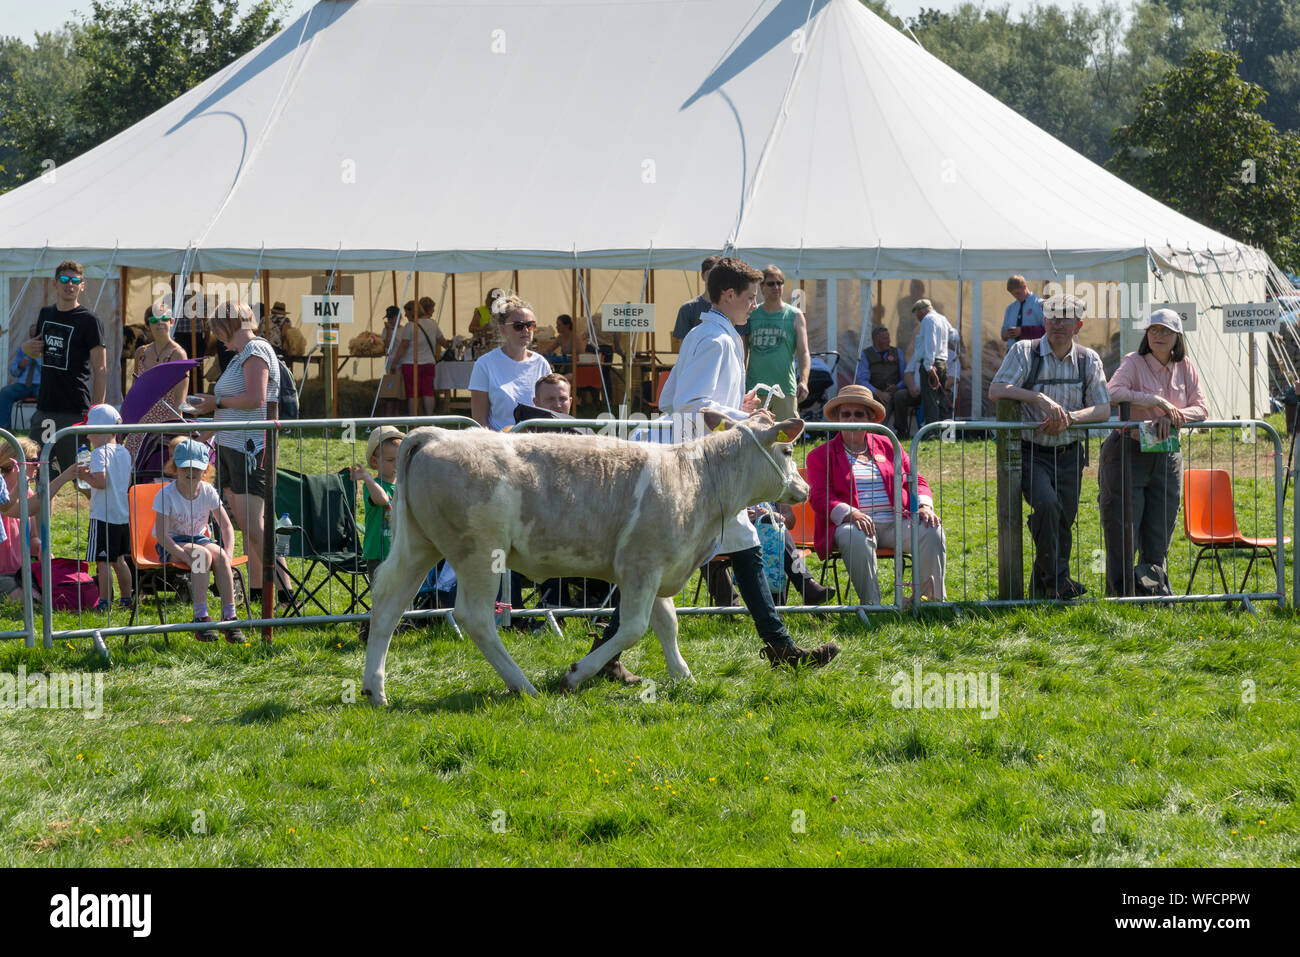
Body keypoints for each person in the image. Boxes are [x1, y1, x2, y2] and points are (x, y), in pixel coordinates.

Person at [601, 256, 840, 678]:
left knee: (731, 548)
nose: (754, 304)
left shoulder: (706, 333)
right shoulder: (718, 340)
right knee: (669, 562)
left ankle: (777, 643)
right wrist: (745, 422)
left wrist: (736, 408)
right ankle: (779, 645)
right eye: (749, 297)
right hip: (698, 469)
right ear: (728, 295)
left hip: (695, 465)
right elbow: (695, 406)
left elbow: (674, 398)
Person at [989, 294, 1111, 600]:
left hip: (1070, 454)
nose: (1058, 323)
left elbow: (1103, 409)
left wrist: (1070, 418)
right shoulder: (1024, 351)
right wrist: (1037, 397)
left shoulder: (1088, 359)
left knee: (1061, 521)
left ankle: (1043, 588)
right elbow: (996, 389)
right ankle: (1059, 580)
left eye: (1066, 317)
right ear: (1044, 321)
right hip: (1032, 452)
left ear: (1078, 324)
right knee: (1046, 505)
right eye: (1052, 316)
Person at [187, 301, 291, 604]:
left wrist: (214, 404)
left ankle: (284, 592)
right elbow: (234, 405)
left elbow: (256, 399)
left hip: (250, 448)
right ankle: (261, 591)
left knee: (255, 525)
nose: (216, 337)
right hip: (232, 446)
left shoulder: (256, 351)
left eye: (216, 329)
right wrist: (204, 432)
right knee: (249, 524)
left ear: (225, 326)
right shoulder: (240, 356)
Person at [1099, 309, 1207, 596]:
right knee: (1124, 529)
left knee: (1160, 529)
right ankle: (1121, 596)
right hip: (1128, 451)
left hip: (1167, 455)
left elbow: (1202, 408)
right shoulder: (1133, 362)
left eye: (1166, 331)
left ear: (1177, 337)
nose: (1159, 336)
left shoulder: (1186, 367)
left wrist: (1173, 416)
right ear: (1146, 335)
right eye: (1154, 330)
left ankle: (1153, 592)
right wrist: (1157, 401)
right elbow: (1112, 392)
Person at [806, 385, 945, 605]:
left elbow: (916, 480)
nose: (852, 419)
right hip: (852, 526)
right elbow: (819, 496)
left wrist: (925, 507)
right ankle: (873, 607)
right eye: (846, 414)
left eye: (858, 414)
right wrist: (851, 513)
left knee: (932, 529)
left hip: (896, 523)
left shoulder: (890, 445)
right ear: (837, 418)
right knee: (854, 533)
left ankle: (930, 603)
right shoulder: (819, 455)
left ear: (871, 418)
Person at [154, 437, 245, 643]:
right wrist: (183, 555)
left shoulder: (207, 491)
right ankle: (200, 616)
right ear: (175, 468)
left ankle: (229, 617)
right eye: (185, 467)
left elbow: (227, 527)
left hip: (198, 538)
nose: (191, 472)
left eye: (197, 468)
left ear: (205, 471)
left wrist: (228, 556)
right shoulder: (165, 494)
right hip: (172, 542)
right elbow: (161, 535)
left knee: (219, 555)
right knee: (201, 555)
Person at [21, 261, 107, 472]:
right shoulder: (46, 314)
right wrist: (26, 347)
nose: (70, 284)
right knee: (39, 474)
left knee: (82, 476)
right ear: (55, 284)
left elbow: (101, 368)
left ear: (82, 286)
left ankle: (104, 506)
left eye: (76, 280)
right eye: (65, 280)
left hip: (75, 411)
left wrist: (96, 414)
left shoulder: (90, 320)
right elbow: (37, 350)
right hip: (45, 409)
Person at [0, 437, 73, 604]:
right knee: (30, 601)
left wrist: (40, 547)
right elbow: (11, 508)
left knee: (54, 596)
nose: (38, 465)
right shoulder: (1, 491)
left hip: (21, 573)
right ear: (16, 463)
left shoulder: (28, 493)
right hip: (3, 575)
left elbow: (32, 537)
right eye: (33, 461)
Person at [469, 295, 553, 431]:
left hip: (537, 441)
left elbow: (551, 410)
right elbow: (480, 420)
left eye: (530, 325)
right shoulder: (484, 364)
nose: (525, 330)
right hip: (500, 444)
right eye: (518, 326)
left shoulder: (541, 363)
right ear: (503, 329)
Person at [80, 403, 134, 613]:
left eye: (89, 431)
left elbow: (101, 482)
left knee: (102, 563)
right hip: (122, 516)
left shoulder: (99, 453)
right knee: (119, 561)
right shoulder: (124, 452)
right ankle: (127, 599)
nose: (87, 437)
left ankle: (104, 602)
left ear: (101, 430)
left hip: (103, 517)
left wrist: (84, 476)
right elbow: (127, 482)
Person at [353, 425, 403, 642]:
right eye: (390, 460)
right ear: (375, 462)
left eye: (399, 460)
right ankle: (369, 629)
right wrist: (366, 478)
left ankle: (396, 626)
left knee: (398, 593)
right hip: (378, 552)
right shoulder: (372, 486)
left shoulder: (403, 485)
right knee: (382, 595)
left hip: (398, 551)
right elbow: (382, 500)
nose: (396, 465)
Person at [744, 265, 810, 420]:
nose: (776, 287)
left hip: (785, 389)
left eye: (780, 283)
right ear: (762, 287)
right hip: (755, 389)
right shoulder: (751, 314)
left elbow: (804, 352)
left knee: (784, 440)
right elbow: (743, 351)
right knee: (753, 438)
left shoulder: (795, 315)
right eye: (771, 283)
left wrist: (804, 381)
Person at [388, 296, 448, 415]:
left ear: (412, 311)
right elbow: (443, 341)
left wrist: (394, 363)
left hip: (411, 364)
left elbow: (403, 346)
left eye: (406, 312)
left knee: (413, 393)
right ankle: (429, 417)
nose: (405, 316)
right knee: (428, 392)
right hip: (429, 363)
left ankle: (413, 418)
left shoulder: (410, 326)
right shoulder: (432, 324)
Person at [854, 325, 917, 437]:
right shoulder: (866, 354)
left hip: (895, 390)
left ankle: (900, 431)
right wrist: (878, 392)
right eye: (885, 338)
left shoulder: (897, 352)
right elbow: (862, 379)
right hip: (875, 391)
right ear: (876, 340)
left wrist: (898, 386)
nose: (889, 341)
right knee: (879, 399)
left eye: (888, 338)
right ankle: (875, 431)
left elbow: (905, 375)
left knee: (898, 395)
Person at [912, 299, 952, 427]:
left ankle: (932, 433)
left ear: (922, 310)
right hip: (942, 363)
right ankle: (946, 436)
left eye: (917, 313)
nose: (917, 317)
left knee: (930, 401)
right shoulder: (943, 319)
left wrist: (929, 366)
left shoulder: (928, 320)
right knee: (942, 399)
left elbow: (931, 343)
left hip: (932, 363)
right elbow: (954, 335)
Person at [671, 256, 721, 346]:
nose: (715, 279)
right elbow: (683, 347)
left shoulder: (730, 307)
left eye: (719, 275)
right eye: (710, 274)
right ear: (702, 276)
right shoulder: (688, 309)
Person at [0, 323, 40, 431]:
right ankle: (4, 428)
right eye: (31, 336)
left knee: (47, 395)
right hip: (23, 385)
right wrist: (20, 366)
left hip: (40, 385)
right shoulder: (23, 349)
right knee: (5, 392)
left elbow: (50, 371)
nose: (33, 338)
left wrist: (37, 359)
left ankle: (39, 428)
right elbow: (13, 372)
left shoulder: (46, 350)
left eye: (35, 335)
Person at [1001, 275, 1045, 343]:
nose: (1016, 297)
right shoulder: (1010, 309)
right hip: (1012, 350)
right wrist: (1006, 334)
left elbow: (1048, 332)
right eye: (1013, 294)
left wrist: (1023, 331)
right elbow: (1003, 336)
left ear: (1024, 287)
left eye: (1018, 293)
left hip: (1033, 351)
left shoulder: (1040, 304)